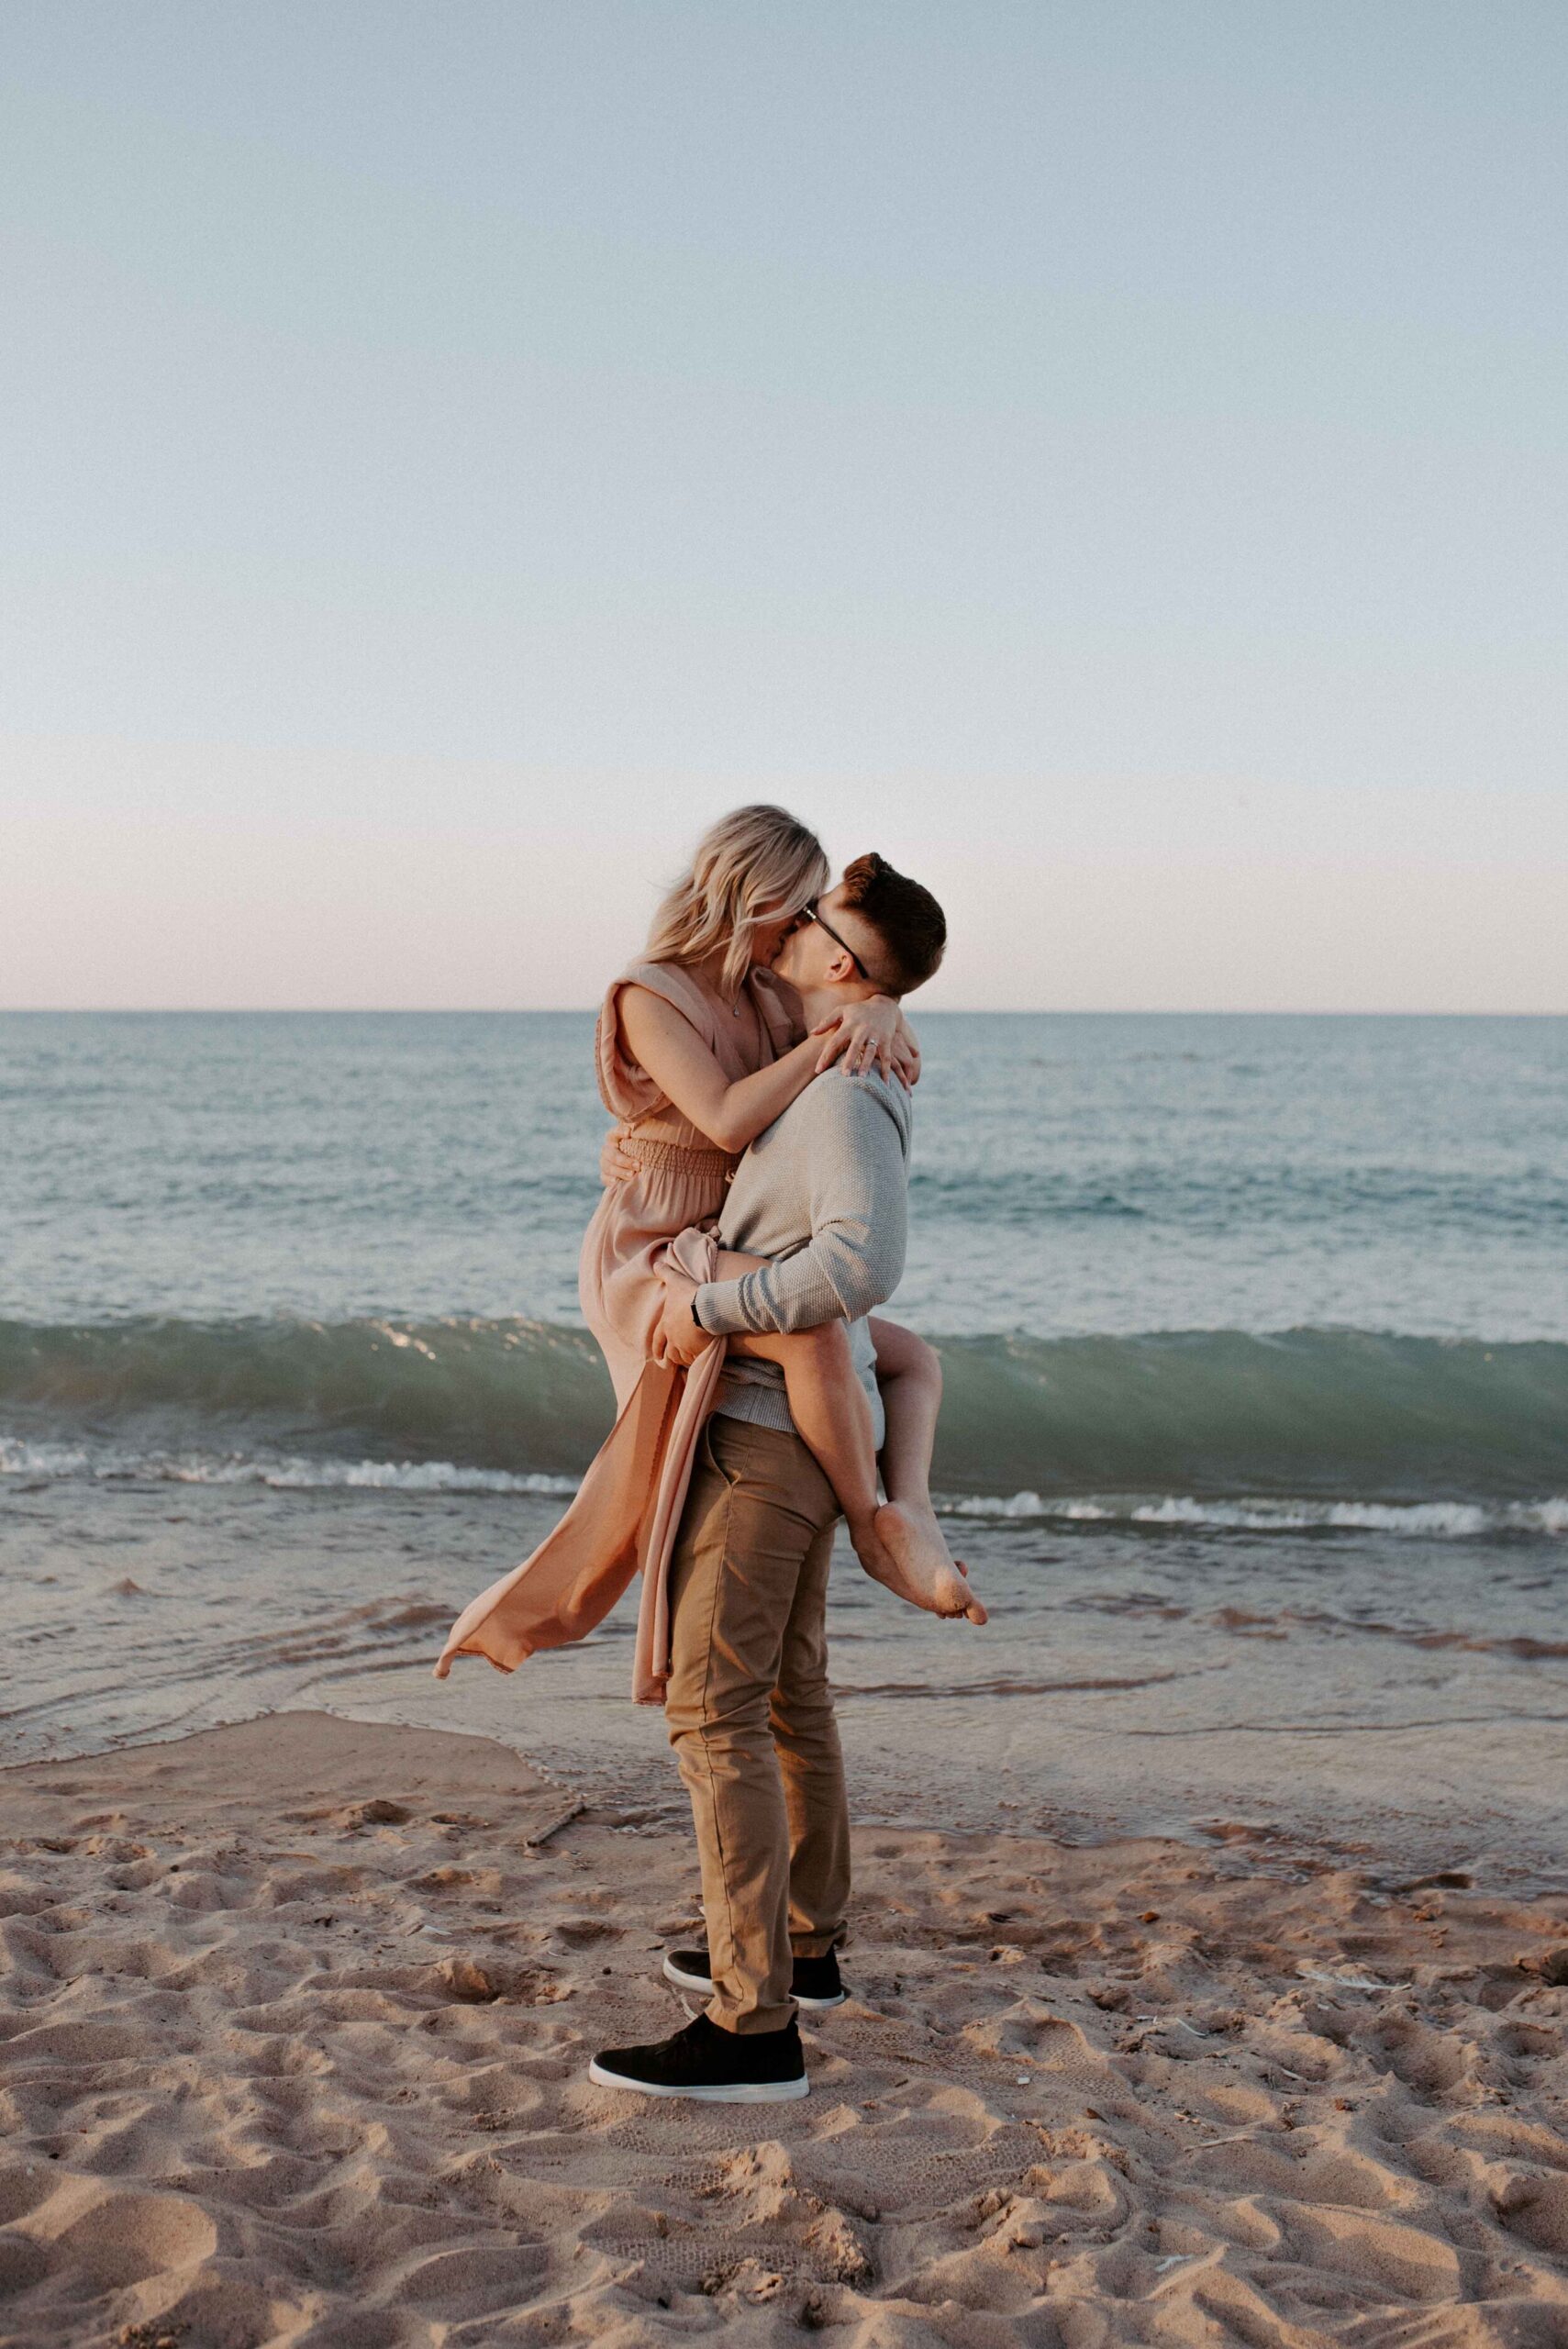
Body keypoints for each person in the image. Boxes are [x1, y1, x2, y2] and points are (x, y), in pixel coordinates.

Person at [589, 853, 981, 2103]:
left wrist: (714, 1306)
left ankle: (752, 2028)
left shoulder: (841, 1100)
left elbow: (863, 1264)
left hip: (763, 1435)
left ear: (840, 963)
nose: (791, 926)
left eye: (812, 921)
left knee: (715, 1710)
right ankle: (800, 1950)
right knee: (782, 1691)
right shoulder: (839, 1059)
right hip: (790, 1429)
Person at [585, 807, 977, 1618]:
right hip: (656, 1248)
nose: (799, 920)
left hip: (724, 1230)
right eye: (793, 904)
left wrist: (879, 1008)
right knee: (813, 1332)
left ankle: (914, 1514)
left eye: (811, 908)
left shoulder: (762, 985)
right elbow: (725, 1118)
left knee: (911, 1360)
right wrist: (837, 1033)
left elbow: (854, 977)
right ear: (749, 895)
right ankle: (872, 1525)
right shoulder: (647, 993)